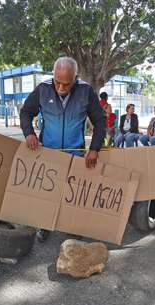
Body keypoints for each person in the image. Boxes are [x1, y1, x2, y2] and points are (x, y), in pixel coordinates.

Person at [20, 56, 105, 242]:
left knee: (72, 193)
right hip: (48, 153)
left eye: (66, 84)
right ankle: (45, 226)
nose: (60, 88)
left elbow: (100, 120)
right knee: (47, 192)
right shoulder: (42, 89)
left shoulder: (86, 91)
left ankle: (72, 226)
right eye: (57, 82)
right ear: (53, 76)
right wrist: (29, 134)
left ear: (75, 78)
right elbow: (26, 112)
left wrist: (95, 148)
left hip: (75, 153)